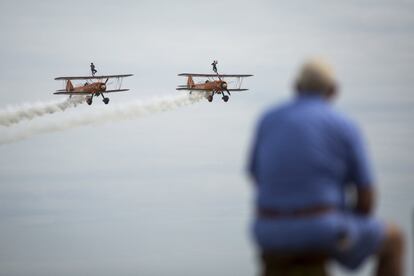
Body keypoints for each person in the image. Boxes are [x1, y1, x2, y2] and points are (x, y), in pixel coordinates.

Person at [248, 58, 404, 276]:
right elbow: (367, 197)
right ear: (333, 90)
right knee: (395, 240)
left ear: (296, 87)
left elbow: (255, 176)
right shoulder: (344, 124)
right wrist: (349, 221)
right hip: (322, 229)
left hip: (267, 230)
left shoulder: (267, 119)